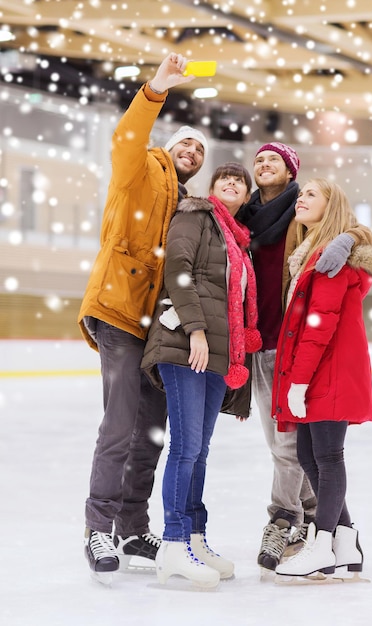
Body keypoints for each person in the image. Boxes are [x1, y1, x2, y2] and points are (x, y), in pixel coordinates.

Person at [77, 52, 209, 580]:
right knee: (120, 422)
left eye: (200, 148)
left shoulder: (187, 204)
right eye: (187, 142)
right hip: (117, 309)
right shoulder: (142, 169)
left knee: (151, 429)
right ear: (169, 147)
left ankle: (133, 527)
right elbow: (127, 139)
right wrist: (155, 90)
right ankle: (99, 528)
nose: (193, 151)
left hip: (157, 326)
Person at [237, 142, 372, 571]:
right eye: (257, 159)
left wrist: (349, 237)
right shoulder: (245, 220)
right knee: (302, 451)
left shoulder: (319, 243)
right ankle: (340, 537)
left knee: (311, 453)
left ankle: (305, 530)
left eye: (274, 160)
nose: (263, 165)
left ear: (291, 171)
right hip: (269, 349)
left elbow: (354, 231)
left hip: (306, 356)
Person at [141, 162, 261, 588]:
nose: (232, 182)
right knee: (187, 446)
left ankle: (193, 535)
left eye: (240, 181)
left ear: (246, 196)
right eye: (224, 178)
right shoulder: (194, 216)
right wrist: (194, 330)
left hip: (219, 353)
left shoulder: (239, 241)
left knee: (201, 449)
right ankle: (173, 543)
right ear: (211, 188)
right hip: (186, 344)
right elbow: (178, 270)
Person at [271, 178, 372, 579]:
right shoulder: (312, 254)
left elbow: (319, 325)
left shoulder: (331, 259)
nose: (301, 198)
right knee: (308, 455)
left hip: (329, 369)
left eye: (311, 195)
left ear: (330, 205)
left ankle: (322, 544)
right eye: (301, 194)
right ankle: (346, 539)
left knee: (327, 456)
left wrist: (298, 382)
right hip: (320, 368)